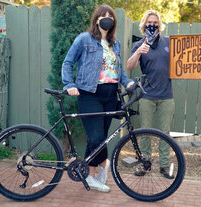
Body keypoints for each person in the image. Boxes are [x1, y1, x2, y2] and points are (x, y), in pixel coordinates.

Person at [127, 10, 201, 179]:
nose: (152, 25)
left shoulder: (169, 42)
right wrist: (139, 52)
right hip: (146, 96)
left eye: (155, 23)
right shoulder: (139, 44)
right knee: (145, 131)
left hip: (166, 95)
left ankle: (164, 166)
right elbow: (130, 66)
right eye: (149, 23)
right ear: (144, 25)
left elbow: (193, 53)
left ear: (159, 25)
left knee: (165, 133)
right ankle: (145, 163)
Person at [62, 5, 133, 192]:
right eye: (104, 15)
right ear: (96, 19)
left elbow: (119, 70)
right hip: (90, 94)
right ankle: (102, 165)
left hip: (110, 95)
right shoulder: (84, 39)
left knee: (99, 140)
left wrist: (129, 83)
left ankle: (92, 174)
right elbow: (68, 62)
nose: (107, 18)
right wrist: (69, 84)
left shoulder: (114, 43)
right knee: (97, 137)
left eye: (111, 16)